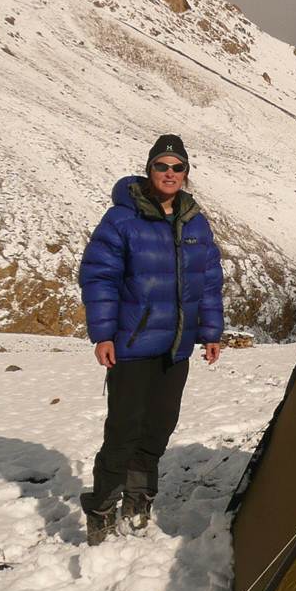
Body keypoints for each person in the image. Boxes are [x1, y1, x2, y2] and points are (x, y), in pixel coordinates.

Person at [78, 135, 224, 544]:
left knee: (158, 426)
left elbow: (209, 282)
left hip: (176, 347)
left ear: (186, 174)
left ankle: (139, 497)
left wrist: (210, 332)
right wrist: (103, 334)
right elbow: (99, 277)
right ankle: (103, 507)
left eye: (178, 167)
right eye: (162, 166)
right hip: (133, 343)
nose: (170, 174)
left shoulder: (195, 221)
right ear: (149, 170)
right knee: (124, 429)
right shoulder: (121, 220)